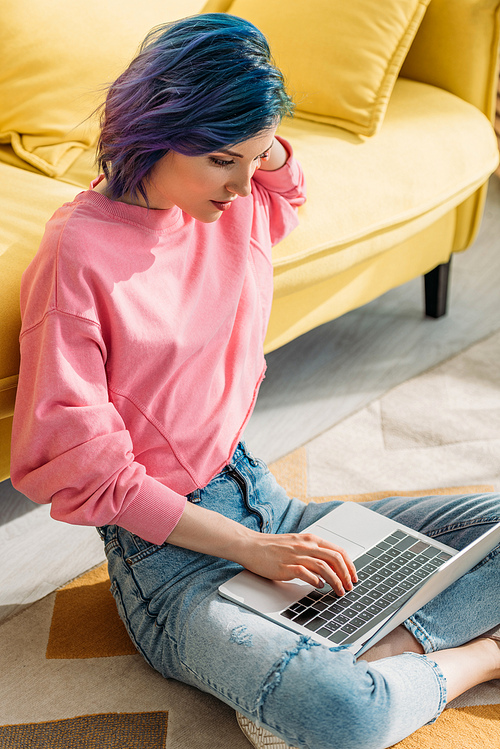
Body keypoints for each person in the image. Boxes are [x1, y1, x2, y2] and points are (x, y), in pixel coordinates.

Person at [10, 13, 500, 749]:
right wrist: (248, 550)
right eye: (222, 159)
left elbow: (286, 188)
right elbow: (85, 470)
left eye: (255, 155)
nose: (246, 184)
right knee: (345, 713)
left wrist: (255, 120)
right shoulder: (78, 253)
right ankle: (472, 654)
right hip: (171, 563)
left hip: (263, 499)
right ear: (156, 131)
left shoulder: (229, 207)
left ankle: (372, 645)